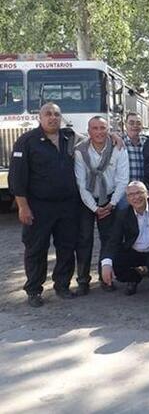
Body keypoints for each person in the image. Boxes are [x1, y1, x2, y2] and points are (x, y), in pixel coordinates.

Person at [9, 102, 81, 306]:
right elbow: (17, 178)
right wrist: (23, 206)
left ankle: (62, 285)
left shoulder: (70, 137)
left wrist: (114, 136)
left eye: (57, 114)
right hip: (38, 206)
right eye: (48, 114)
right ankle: (34, 290)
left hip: (67, 205)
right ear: (40, 117)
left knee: (67, 247)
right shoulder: (27, 141)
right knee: (36, 249)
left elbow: (93, 140)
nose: (53, 118)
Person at [73, 116, 130, 295]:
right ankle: (83, 281)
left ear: (108, 130)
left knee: (109, 239)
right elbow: (80, 184)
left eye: (103, 128)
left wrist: (111, 204)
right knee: (84, 239)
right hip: (87, 200)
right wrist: (95, 208)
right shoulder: (80, 151)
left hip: (110, 198)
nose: (99, 132)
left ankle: (106, 278)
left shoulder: (119, 148)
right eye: (95, 128)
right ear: (88, 131)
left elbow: (123, 180)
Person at [101, 181, 149, 295]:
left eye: (139, 192)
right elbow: (113, 240)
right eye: (131, 194)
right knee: (116, 263)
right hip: (134, 251)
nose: (136, 197)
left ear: (147, 194)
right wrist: (106, 264)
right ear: (128, 199)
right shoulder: (123, 213)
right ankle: (134, 278)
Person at [122, 111, 147, 184]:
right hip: (123, 190)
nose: (135, 126)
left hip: (142, 190)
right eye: (131, 123)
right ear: (125, 125)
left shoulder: (147, 143)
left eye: (138, 123)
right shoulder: (119, 143)